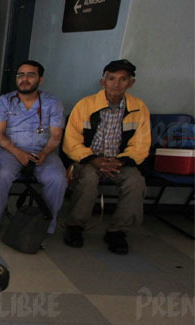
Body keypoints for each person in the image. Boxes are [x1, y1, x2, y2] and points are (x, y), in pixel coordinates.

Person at [62, 59, 151, 254]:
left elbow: (141, 144)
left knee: (135, 182)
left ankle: (117, 232)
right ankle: (75, 227)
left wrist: (121, 161)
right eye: (111, 79)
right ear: (103, 82)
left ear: (131, 83)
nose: (116, 84)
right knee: (88, 180)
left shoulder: (139, 108)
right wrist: (93, 159)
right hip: (88, 160)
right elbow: (71, 141)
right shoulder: (85, 105)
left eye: (123, 79)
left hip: (120, 162)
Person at [0, 60, 67, 241]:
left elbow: (55, 136)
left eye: (30, 75)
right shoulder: (5, 101)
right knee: (2, 174)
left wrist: (44, 153)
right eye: (20, 75)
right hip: (10, 150)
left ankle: (44, 228)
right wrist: (19, 153)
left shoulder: (53, 103)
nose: (24, 79)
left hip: (44, 151)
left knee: (57, 179)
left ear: (40, 79)